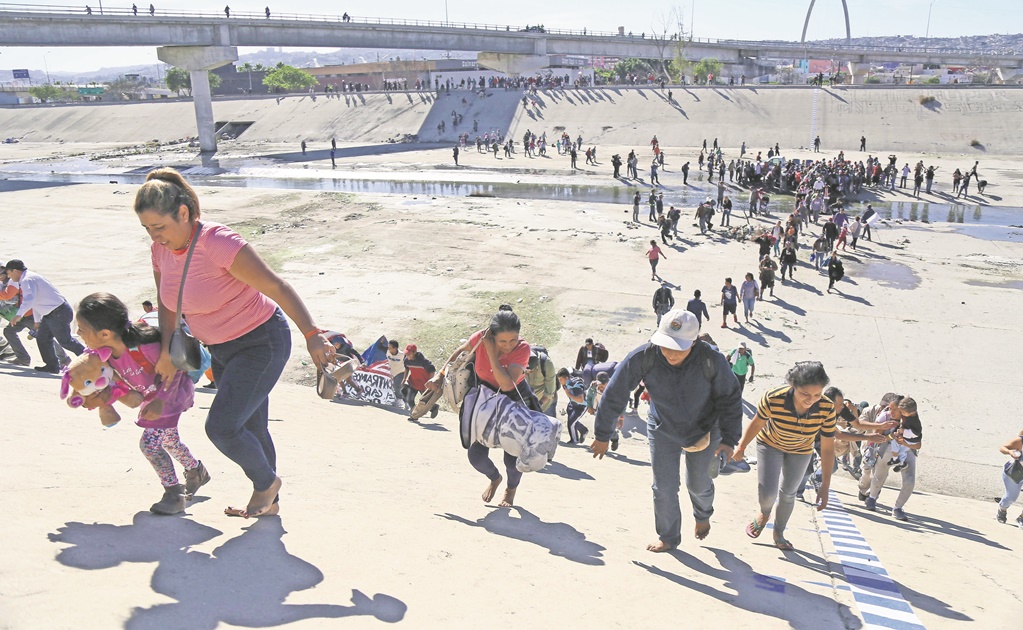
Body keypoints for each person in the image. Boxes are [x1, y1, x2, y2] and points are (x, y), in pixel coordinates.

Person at [134, 167, 333, 519]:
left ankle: (266, 484)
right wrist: (166, 350)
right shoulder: (160, 251)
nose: (155, 236)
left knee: (222, 427)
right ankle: (269, 504)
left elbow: (277, 287)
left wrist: (312, 334)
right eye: (147, 229)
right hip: (220, 349)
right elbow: (167, 302)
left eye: (160, 227)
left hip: (261, 341)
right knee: (251, 427)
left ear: (183, 213)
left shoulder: (217, 242)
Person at [591, 310, 741, 552]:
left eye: (678, 348)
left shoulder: (711, 360)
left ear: (694, 342)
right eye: (666, 345)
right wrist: (602, 434)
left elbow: (730, 398)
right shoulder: (644, 356)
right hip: (663, 426)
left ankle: (702, 514)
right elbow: (615, 393)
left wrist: (729, 439)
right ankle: (668, 536)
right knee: (664, 486)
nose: (671, 353)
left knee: (698, 484)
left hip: (704, 428)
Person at [75, 293, 210, 515]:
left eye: (82, 329)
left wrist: (160, 400)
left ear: (105, 333)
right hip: (153, 399)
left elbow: (174, 369)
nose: (78, 334)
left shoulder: (144, 346)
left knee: (149, 445)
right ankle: (196, 471)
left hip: (171, 396)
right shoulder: (105, 354)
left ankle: (173, 494)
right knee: (169, 441)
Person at [428, 307, 538, 507]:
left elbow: (506, 384)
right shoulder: (481, 338)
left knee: (511, 458)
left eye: (513, 340)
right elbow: (458, 354)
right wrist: (440, 374)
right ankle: (495, 479)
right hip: (485, 398)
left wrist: (490, 351)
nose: (508, 346)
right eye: (502, 341)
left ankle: (510, 490)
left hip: (513, 398)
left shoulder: (522, 349)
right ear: (492, 335)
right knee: (475, 456)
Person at [733, 361, 836, 550]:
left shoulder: (827, 408)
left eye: (817, 394)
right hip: (770, 445)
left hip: (802, 450)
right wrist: (741, 447)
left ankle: (779, 532)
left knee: (788, 494)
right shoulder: (773, 398)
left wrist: (825, 486)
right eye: (805, 393)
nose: (811, 399)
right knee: (767, 494)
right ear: (793, 386)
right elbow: (757, 424)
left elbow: (828, 448)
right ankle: (764, 513)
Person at [3, 260, 85, 373]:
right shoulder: (28, 278)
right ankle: (52, 366)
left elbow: (29, 300)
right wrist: (37, 321)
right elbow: (36, 301)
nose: (9, 276)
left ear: (16, 271)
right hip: (50, 313)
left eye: (9, 273)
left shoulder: (27, 280)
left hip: (58, 312)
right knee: (43, 339)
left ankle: (90, 359)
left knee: (65, 341)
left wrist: (18, 315)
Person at [858, 397, 922, 521]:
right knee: (879, 475)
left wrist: (905, 443)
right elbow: (876, 437)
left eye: (894, 409)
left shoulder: (912, 419)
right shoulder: (885, 417)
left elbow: (918, 444)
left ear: (903, 411)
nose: (891, 411)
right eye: (890, 408)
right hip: (887, 447)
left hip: (907, 449)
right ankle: (872, 497)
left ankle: (898, 508)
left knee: (910, 481)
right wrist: (891, 435)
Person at [403, 344, 439, 419]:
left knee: (425, 402)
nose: (407, 355)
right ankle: (414, 414)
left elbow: (432, 370)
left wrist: (430, 381)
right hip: (413, 383)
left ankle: (434, 407)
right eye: (406, 353)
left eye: (409, 354)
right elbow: (406, 368)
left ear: (414, 352)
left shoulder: (423, 362)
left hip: (424, 384)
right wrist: (404, 379)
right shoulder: (406, 360)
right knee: (409, 399)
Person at [996, 428, 1023, 528]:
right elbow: (1002, 448)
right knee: (1011, 498)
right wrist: (1010, 452)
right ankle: (1002, 508)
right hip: (1014, 473)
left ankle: (1021, 518)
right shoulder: (1020, 441)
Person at [557, 367, 588, 443]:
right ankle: (583, 430)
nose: (559, 381)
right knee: (572, 421)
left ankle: (574, 441)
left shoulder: (575, 385)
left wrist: (569, 394)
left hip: (581, 406)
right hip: (572, 404)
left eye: (561, 379)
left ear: (566, 378)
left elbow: (581, 400)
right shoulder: (565, 382)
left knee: (571, 423)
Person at [524, 346, 557, 417]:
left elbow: (549, 393)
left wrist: (538, 406)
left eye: (531, 370)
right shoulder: (518, 362)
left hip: (545, 404)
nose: (529, 372)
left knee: (549, 425)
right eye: (526, 370)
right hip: (527, 405)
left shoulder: (546, 363)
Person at [386, 339, 407, 409]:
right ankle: (399, 400)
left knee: (398, 386)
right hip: (392, 373)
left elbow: (408, 364)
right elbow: (378, 347)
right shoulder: (387, 352)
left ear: (395, 348)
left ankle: (402, 402)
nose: (388, 349)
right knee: (394, 387)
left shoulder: (402, 355)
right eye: (388, 347)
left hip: (400, 372)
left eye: (390, 348)